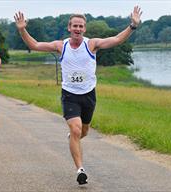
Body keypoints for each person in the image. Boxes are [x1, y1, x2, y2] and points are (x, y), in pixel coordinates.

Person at [14, 6, 142, 185]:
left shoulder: (92, 44)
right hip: (70, 95)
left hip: (89, 94)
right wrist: (22, 29)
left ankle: (73, 139)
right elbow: (34, 45)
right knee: (75, 129)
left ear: (85, 29)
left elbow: (116, 40)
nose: (78, 29)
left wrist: (132, 26)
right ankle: (80, 169)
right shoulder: (61, 46)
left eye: (81, 26)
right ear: (69, 27)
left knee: (84, 131)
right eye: (75, 26)